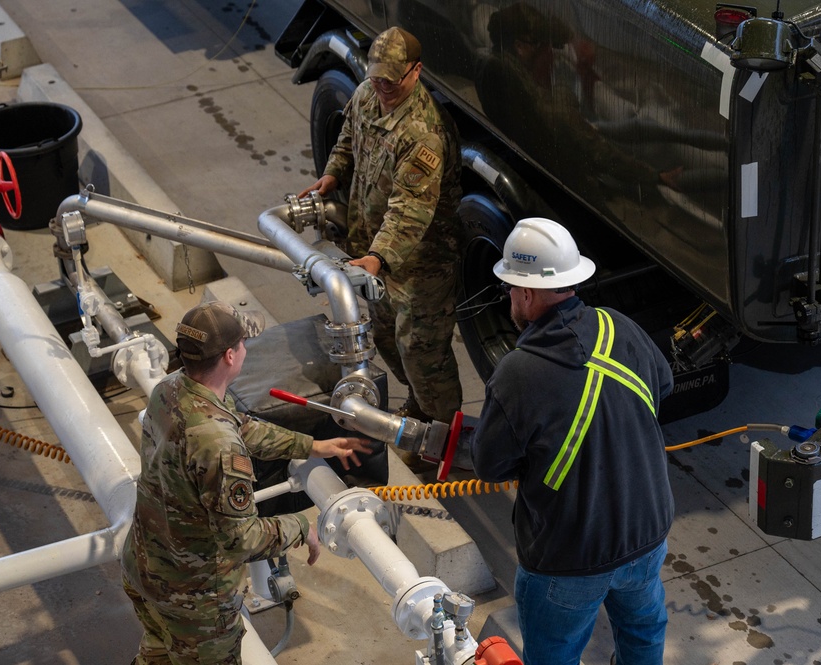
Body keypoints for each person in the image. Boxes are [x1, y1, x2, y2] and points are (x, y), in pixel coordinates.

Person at [470, 218, 674, 665]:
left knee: (555, 656)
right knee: (643, 637)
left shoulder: (518, 373)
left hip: (569, 556)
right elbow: (664, 385)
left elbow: (489, 466)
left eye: (509, 288)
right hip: (646, 537)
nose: (508, 296)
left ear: (525, 293)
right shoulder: (620, 327)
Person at [121, 301, 371, 664]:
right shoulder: (221, 449)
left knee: (157, 654)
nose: (245, 350)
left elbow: (238, 424)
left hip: (144, 566)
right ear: (228, 356)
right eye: (242, 344)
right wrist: (302, 527)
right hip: (193, 600)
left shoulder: (170, 389)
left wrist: (312, 445)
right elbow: (241, 539)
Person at [299, 27, 464, 425]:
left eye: (393, 79)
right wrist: (333, 174)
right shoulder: (367, 96)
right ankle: (420, 407)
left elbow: (410, 211)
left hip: (421, 264)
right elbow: (346, 138)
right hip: (376, 254)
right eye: (377, 77)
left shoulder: (424, 133)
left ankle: (442, 436)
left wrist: (377, 257)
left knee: (422, 352)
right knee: (386, 337)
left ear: (416, 72)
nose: (383, 86)